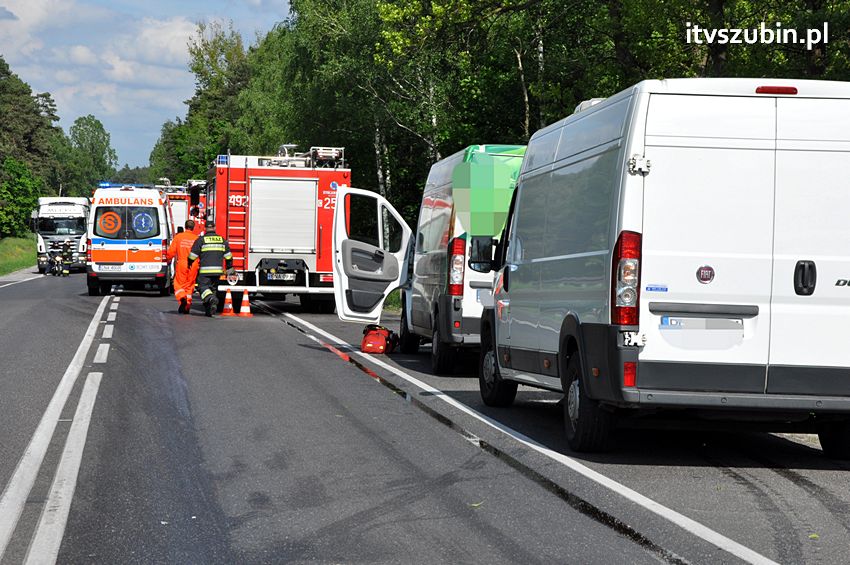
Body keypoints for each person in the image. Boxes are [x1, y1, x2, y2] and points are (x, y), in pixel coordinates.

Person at [187, 223, 233, 317]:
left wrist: (189, 263)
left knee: (202, 287)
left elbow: (192, 256)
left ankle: (211, 298)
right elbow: (229, 257)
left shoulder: (201, 240)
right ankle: (209, 310)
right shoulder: (222, 240)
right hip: (217, 272)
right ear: (215, 228)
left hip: (205, 272)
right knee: (212, 289)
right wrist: (229, 267)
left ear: (205, 228)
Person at [166, 220, 200, 314]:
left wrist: (168, 258)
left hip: (182, 263)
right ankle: (187, 307)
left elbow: (171, 252)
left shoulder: (179, 237)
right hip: (194, 264)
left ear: (185, 227)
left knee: (178, 284)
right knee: (189, 286)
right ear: (193, 228)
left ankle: (182, 298)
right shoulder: (197, 238)